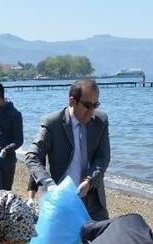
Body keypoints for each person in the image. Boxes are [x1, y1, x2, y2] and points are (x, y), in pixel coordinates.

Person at [24, 78, 110, 220]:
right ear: (72, 101)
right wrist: (49, 185)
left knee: (100, 240)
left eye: (96, 105)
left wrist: (89, 181)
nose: (92, 111)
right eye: (87, 105)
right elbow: (32, 156)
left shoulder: (101, 121)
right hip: (59, 199)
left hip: (92, 199)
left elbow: (103, 157)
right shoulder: (52, 123)